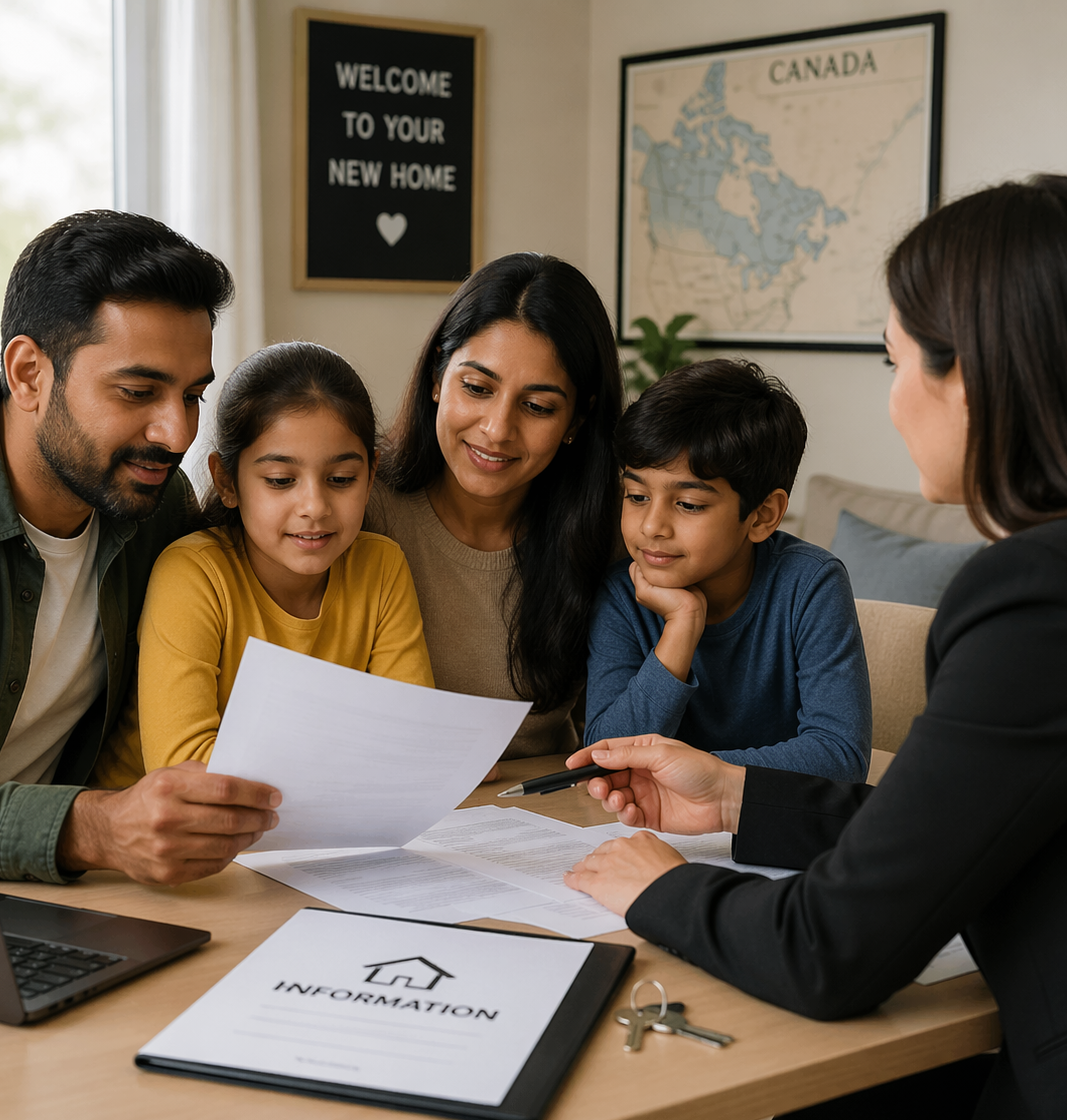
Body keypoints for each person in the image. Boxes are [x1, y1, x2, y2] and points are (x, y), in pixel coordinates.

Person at [563, 176, 1067, 1120]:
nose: (894, 402)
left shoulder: (1049, 595)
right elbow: (970, 818)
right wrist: (739, 795)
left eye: (895, 361)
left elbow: (831, 949)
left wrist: (662, 887)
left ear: (980, 376)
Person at [0, 211, 282, 887]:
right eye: (138, 392)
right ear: (29, 373)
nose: (177, 433)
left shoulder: (159, 507)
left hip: (60, 898)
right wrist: (95, 829)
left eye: (193, 396)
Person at [100, 342, 433, 780]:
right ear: (227, 481)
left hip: (305, 815)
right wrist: (365, 758)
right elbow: (185, 769)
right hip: (158, 819)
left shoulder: (381, 566)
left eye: (340, 479)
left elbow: (411, 736)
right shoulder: (193, 574)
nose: (314, 506)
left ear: (370, 476)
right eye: (280, 480)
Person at [366, 252, 623, 766]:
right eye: (477, 388)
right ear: (437, 376)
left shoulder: (613, 529)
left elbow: (617, 734)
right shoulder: (358, 504)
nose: (497, 429)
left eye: (538, 406)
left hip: (548, 805)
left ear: (577, 419)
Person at [583, 359, 869, 782]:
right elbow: (604, 757)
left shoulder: (811, 584)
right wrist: (681, 628)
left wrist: (702, 772)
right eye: (637, 496)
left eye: (689, 504)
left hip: (765, 817)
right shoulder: (622, 593)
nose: (651, 527)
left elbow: (840, 756)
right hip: (651, 818)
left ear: (762, 516)